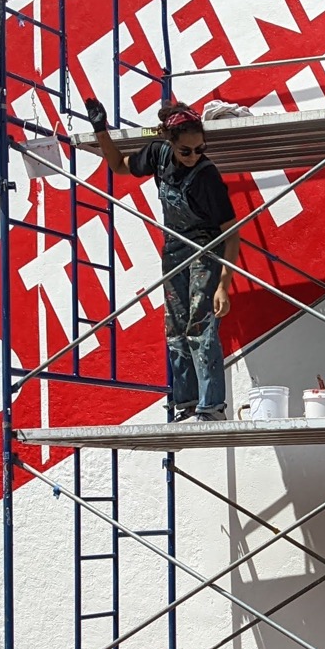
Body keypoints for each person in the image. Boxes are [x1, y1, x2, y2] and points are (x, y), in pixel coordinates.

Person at [84, 97, 236, 421]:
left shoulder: (207, 176)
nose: (194, 156)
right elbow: (119, 166)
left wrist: (223, 284)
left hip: (205, 250)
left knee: (200, 325)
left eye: (200, 149)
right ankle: (187, 405)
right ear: (170, 143)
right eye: (186, 151)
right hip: (173, 250)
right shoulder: (157, 154)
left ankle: (212, 407)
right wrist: (101, 130)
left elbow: (230, 232)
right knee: (175, 330)